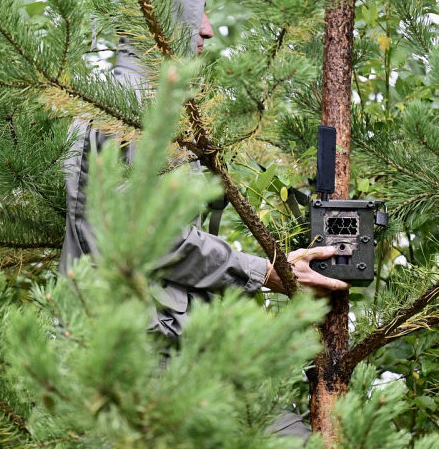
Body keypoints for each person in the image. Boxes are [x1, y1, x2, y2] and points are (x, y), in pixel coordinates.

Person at [60, 0, 349, 440]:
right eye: (199, 11)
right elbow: (152, 239)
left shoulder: (131, 101)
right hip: (143, 360)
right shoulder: (138, 110)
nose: (209, 31)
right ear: (157, 15)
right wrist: (267, 272)